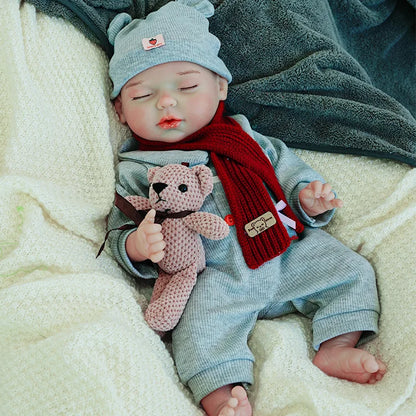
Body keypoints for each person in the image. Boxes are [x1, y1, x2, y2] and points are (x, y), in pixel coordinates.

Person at [106, 1, 386, 415]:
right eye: (144, 95)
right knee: (197, 333)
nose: (167, 103)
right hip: (215, 278)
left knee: (352, 272)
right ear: (121, 111)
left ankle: (335, 345)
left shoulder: (245, 136)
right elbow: (118, 229)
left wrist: (307, 196)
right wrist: (137, 247)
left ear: (220, 87)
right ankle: (222, 398)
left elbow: (286, 171)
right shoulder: (137, 170)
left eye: (186, 87)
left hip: (285, 252)